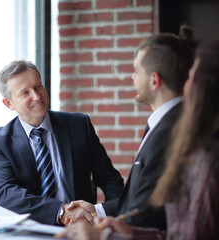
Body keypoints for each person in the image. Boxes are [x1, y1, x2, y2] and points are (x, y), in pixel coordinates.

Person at [56, 39, 219, 240]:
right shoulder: (166, 124)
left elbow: (154, 214)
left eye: (136, 70)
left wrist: (104, 235)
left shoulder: (182, 134)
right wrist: (101, 212)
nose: (132, 76)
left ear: (154, 80)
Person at [0, 60, 124, 225]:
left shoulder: (78, 125)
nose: (36, 97)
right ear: (9, 103)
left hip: (83, 227)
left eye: (37, 87)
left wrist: (114, 217)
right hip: (32, 230)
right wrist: (62, 211)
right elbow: (6, 193)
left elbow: (109, 178)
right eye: (25, 93)